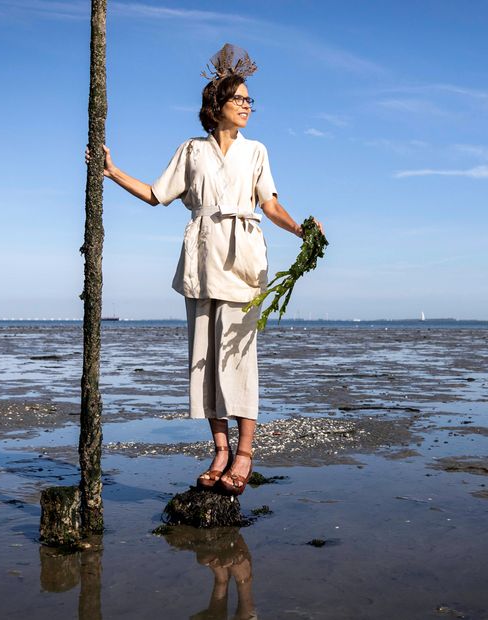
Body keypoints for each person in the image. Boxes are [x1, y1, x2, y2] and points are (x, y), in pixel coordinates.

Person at [91, 44, 322, 495]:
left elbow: (269, 204)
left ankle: (245, 453)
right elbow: (158, 195)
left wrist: (301, 231)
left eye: (250, 101)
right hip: (200, 260)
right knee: (205, 360)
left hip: (243, 261)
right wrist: (113, 172)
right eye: (240, 100)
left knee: (238, 359)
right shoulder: (191, 150)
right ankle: (219, 449)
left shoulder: (256, 151)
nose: (247, 107)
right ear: (217, 105)